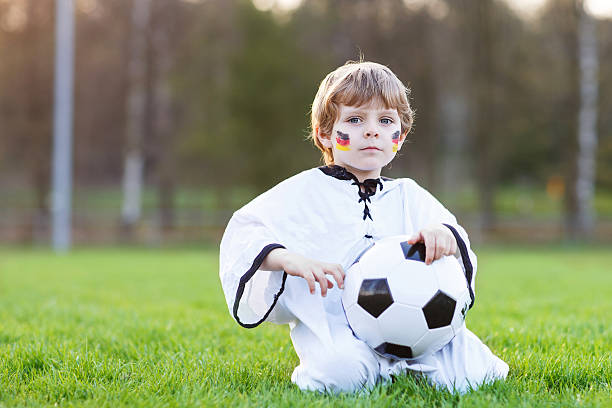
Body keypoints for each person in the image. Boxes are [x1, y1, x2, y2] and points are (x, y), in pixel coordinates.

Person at [219, 60, 508, 394]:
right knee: (341, 376)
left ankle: (400, 364)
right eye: (355, 120)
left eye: (385, 121)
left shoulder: (408, 195)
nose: (372, 131)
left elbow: (453, 233)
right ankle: (370, 368)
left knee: (475, 375)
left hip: (414, 324)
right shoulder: (303, 191)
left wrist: (443, 235)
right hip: (336, 324)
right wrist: (289, 260)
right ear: (325, 134)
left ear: (400, 136)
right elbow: (246, 232)